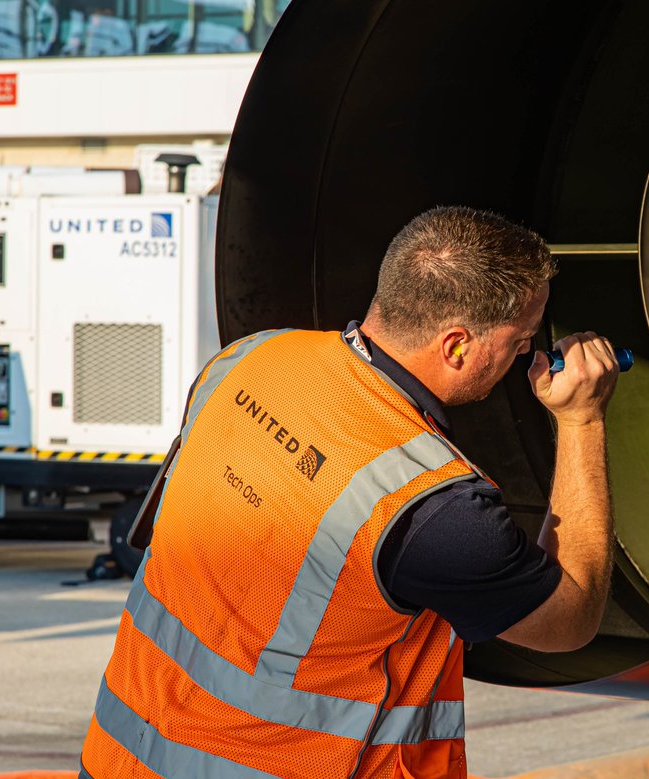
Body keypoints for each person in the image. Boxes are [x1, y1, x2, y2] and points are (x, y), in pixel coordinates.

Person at [79, 206, 620, 778]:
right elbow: (568, 619)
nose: (524, 355)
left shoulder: (248, 358)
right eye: (520, 339)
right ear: (457, 346)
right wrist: (582, 422)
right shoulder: (430, 505)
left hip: (124, 755)